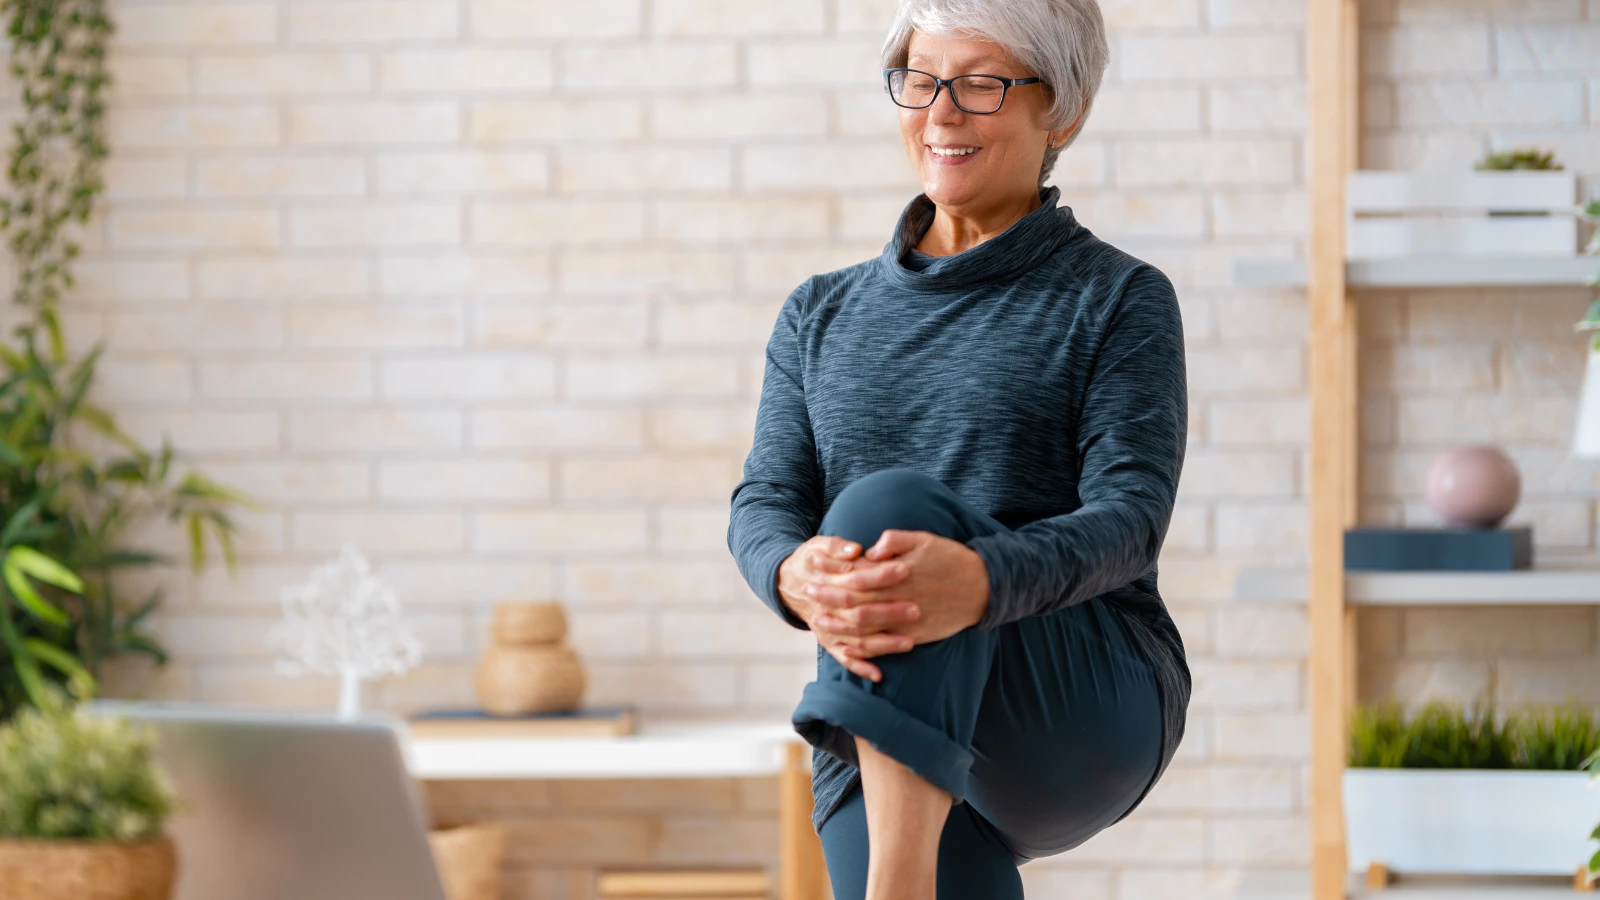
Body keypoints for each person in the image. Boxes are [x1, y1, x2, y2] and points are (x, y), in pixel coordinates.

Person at [726, 1, 1192, 897]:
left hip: (1078, 695)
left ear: (1063, 108)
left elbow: (1130, 521)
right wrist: (793, 576)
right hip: (886, 699)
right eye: (920, 79)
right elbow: (765, 502)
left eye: (979, 84)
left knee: (880, 513)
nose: (940, 113)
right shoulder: (819, 314)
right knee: (859, 544)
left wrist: (974, 582)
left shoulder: (1117, 297)